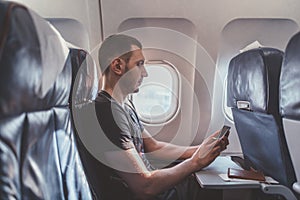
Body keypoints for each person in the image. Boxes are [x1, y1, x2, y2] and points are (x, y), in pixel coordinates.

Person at [94, 34, 229, 200]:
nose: (145, 73)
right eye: (140, 64)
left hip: (153, 186)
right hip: (144, 194)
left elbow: (153, 147)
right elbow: (145, 186)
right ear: (117, 66)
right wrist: (196, 162)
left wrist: (201, 150)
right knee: (208, 185)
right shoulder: (106, 112)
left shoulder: (124, 106)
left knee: (207, 176)